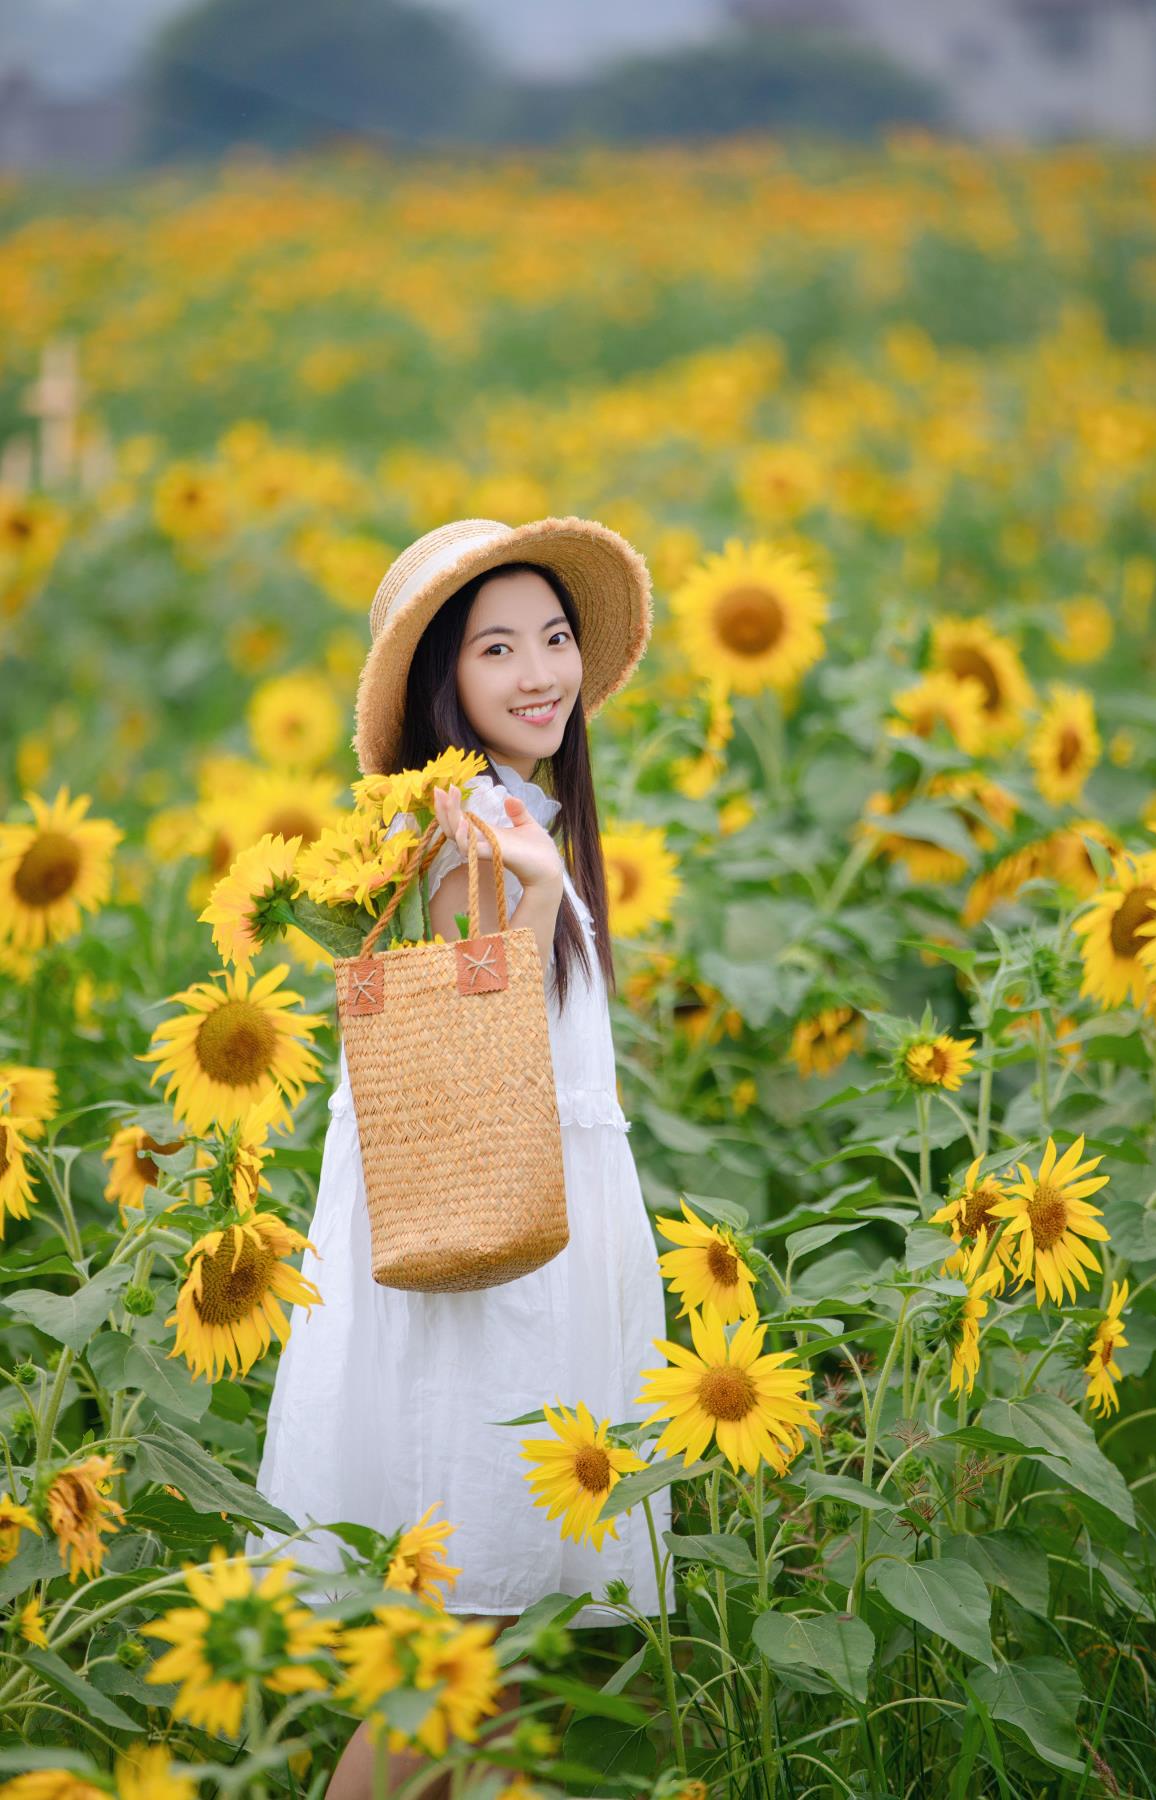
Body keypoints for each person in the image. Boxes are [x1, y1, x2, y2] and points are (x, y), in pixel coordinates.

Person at [244, 517, 677, 1798]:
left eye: (554, 639)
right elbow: (478, 1064)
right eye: (499, 649)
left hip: (521, 1246)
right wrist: (535, 898)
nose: (541, 671)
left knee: (483, 1674)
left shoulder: (510, 816)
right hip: (490, 1276)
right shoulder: (472, 830)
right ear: (446, 679)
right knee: (454, 1648)